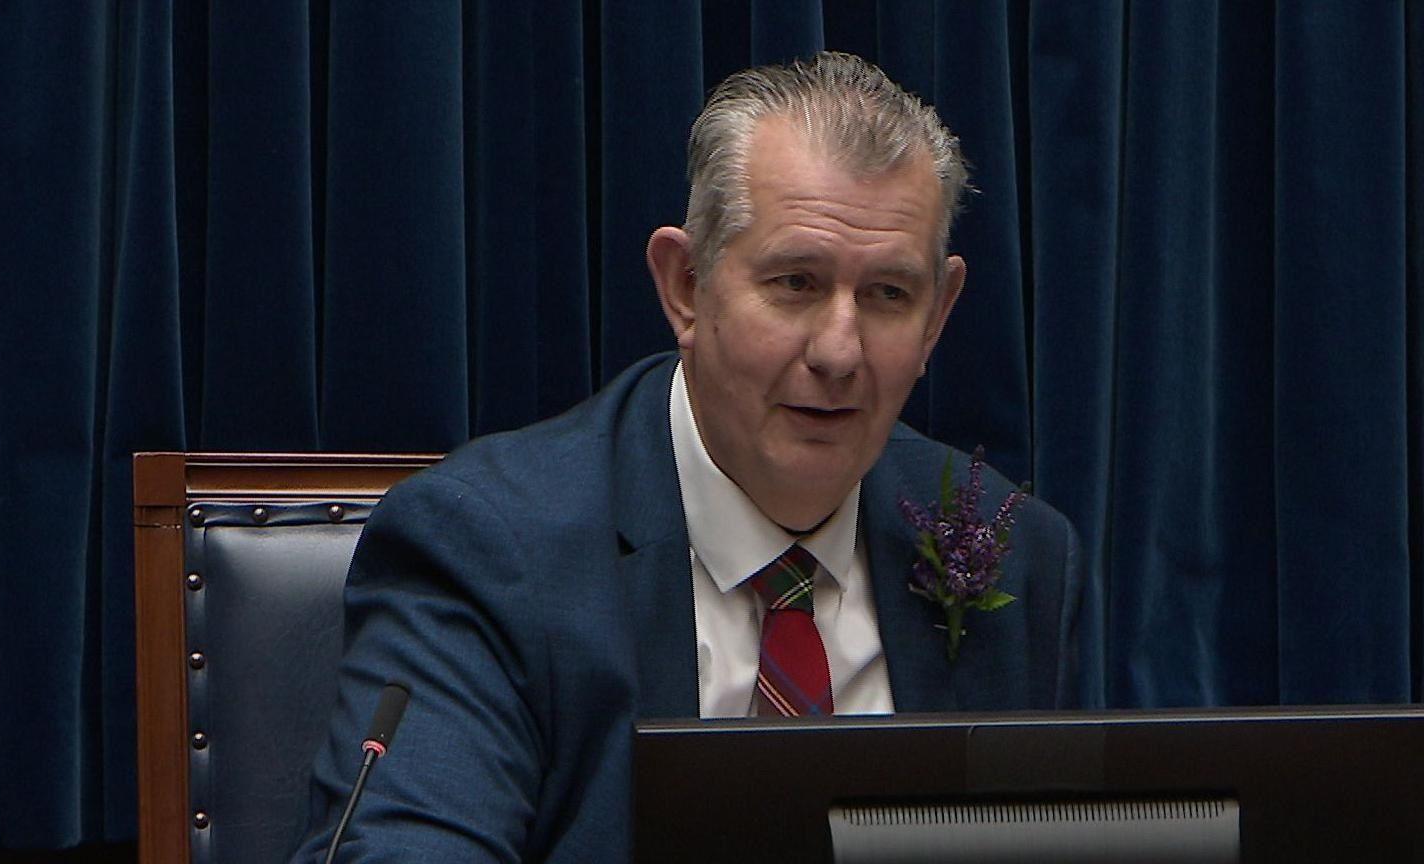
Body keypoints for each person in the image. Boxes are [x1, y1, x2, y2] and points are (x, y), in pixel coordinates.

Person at [291, 51, 1091, 862]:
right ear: (685, 286)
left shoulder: (1018, 555)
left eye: (888, 294)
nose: (840, 352)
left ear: (938, 315)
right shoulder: (487, 548)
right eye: (795, 283)